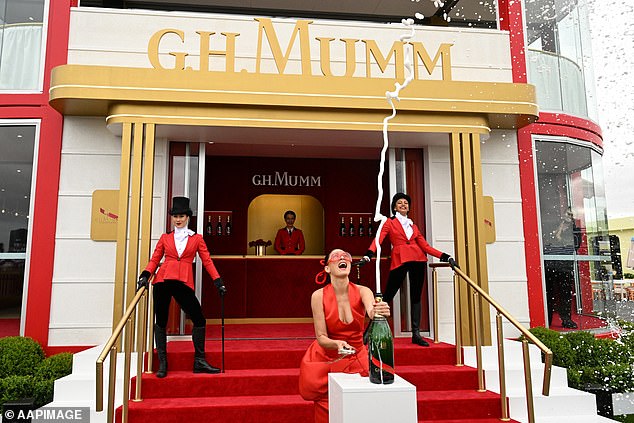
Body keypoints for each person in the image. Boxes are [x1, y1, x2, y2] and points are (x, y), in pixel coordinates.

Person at [137, 197, 227, 378]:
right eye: (175, 216)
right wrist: (145, 275)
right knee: (161, 321)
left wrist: (218, 281)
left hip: (183, 282)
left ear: (188, 217)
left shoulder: (197, 238)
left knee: (199, 319)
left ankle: (199, 361)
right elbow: (155, 258)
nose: (178, 219)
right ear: (171, 218)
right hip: (163, 281)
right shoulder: (165, 238)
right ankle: (162, 362)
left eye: (182, 216)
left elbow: (207, 260)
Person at [299, 248, 390, 423]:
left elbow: (372, 311)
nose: (342, 257)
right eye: (336, 256)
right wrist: (337, 344)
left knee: (362, 404)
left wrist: (378, 311)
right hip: (328, 357)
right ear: (327, 268)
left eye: (346, 256)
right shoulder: (318, 296)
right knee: (328, 408)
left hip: (358, 355)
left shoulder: (364, 291)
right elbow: (321, 336)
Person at [363, 193, 457, 347]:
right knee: (388, 295)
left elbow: (425, 247)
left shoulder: (413, 225)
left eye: (406, 203)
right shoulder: (389, 222)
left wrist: (446, 257)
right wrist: (368, 254)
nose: (403, 205)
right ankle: (369, 330)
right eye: (399, 203)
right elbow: (378, 240)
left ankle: (416, 334)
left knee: (416, 296)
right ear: (394, 207)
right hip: (400, 259)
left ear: (409, 207)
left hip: (418, 260)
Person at [543, 208, 580, 329]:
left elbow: (576, 245)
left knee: (565, 293)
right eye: (567, 213)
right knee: (548, 292)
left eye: (572, 214)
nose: (569, 216)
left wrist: (560, 238)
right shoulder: (552, 225)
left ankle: (566, 319)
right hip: (549, 264)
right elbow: (545, 241)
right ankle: (547, 319)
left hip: (565, 265)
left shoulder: (574, 230)